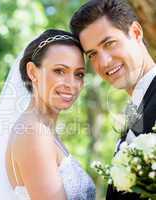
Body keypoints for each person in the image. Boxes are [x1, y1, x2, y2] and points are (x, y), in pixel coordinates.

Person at [0, 29, 96, 200]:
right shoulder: (33, 133)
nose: (71, 84)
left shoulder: (43, 130)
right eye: (59, 71)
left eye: (78, 74)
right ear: (33, 72)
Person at [70, 0, 156, 199]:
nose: (103, 62)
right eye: (92, 54)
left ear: (135, 32)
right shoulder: (136, 109)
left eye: (109, 43)